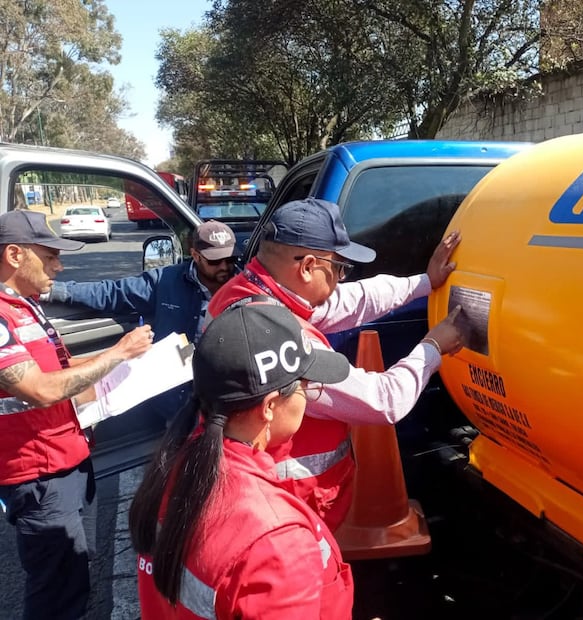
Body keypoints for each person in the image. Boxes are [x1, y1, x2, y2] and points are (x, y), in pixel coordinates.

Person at [207, 197, 464, 530]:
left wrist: (425, 283)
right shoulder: (280, 342)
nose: (341, 280)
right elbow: (382, 400)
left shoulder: (244, 295)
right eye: (339, 268)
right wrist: (433, 347)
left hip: (276, 501)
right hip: (289, 515)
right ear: (307, 267)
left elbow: (354, 299)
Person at [129, 303, 354, 619]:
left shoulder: (177, 463)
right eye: (305, 387)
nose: (308, 396)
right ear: (270, 407)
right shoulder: (276, 544)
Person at [0, 210, 154, 619]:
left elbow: (55, 368)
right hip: (38, 474)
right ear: (15, 255)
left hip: (61, 462)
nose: (59, 266)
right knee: (57, 593)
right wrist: (118, 353)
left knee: (70, 578)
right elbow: (40, 388)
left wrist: (125, 361)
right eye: (49, 256)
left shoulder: (21, 305)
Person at [43, 219, 239, 422]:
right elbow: (112, 293)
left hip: (223, 399)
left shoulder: (243, 288)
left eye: (231, 259)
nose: (225, 266)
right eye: (215, 261)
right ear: (196, 256)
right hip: (176, 400)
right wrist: (57, 291)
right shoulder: (165, 282)